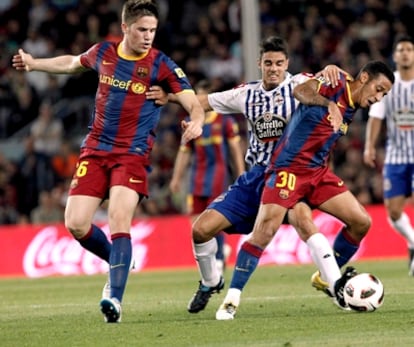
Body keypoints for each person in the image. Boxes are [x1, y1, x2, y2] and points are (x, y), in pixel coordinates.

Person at [12, 0, 204, 323]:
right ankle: (119, 260)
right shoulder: (104, 53)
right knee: (75, 223)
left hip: (132, 155)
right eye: (142, 30)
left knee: (118, 218)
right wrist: (34, 63)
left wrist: (196, 119)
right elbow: (72, 63)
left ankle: (114, 297)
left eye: (153, 31)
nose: (148, 37)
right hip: (95, 150)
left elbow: (191, 100)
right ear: (125, 27)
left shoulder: (161, 64)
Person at [147, 35, 349, 314]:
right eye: (268, 63)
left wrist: (330, 67)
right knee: (201, 230)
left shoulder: (300, 84)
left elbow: (328, 80)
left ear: (287, 64)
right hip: (255, 178)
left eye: (279, 63)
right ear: (260, 64)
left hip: (289, 177)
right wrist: (169, 96)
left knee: (303, 220)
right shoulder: (247, 94)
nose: (274, 68)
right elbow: (204, 102)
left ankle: (338, 289)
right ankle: (210, 281)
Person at [215, 60, 394, 320]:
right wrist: (328, 103)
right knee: (263, 232)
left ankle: (326, 278)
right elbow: (301, 92)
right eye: (378, 89)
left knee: (361, 222)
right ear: (364, 78)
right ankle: (231, 300)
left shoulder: (353, 103)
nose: (378, 98)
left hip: (317, 173)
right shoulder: (335, 83)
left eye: (384, 94)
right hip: (287, 170)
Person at [169, 79, 245, 275]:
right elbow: (185, 152)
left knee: (213, 220)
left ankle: (218, 259)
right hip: (197, 178)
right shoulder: (192, 123)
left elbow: (235, 150)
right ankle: (216, 256)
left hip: (219, 178)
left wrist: (241, 174)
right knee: (196, 224)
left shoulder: (225, 121)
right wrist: (176, 178)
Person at [364, 35, 414, 276]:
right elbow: (376, 116)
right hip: (396, 156)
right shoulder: (389, 86)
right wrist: (369, 147)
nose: (405, 54)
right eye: (401, 50)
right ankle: (413, 242)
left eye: (409, 50)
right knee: (393, 212)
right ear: (395, 56)